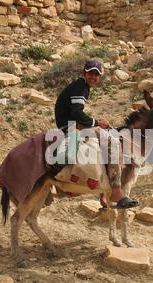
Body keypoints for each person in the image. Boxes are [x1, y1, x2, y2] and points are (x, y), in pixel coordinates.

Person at [54, 59, 139, 209]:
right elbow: (77, 113)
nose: (93, 77)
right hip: (70, 125)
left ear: (100, 77)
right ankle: (116, 191)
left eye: (97, 74)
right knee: (112, 141)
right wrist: (96, 123)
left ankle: (103, 190)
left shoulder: (81, 86)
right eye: (91, 73)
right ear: (84, 73)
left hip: (69, 123)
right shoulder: (81, 87)